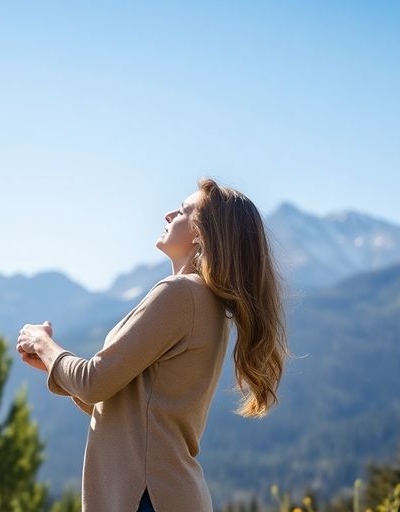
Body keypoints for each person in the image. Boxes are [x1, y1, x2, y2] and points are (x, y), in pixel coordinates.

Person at [16, 178, 292, 512]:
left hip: (146, 498)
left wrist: (43, 343)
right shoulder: (206, 303)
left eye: (181, 211)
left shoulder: (179, 294)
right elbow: (124, 409)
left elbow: (94, 382)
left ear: (200, 234)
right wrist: (54, 365)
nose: (167, 214)